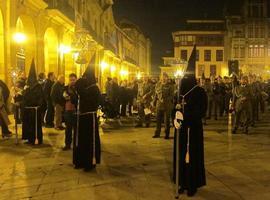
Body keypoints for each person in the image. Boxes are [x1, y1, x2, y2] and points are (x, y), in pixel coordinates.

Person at [173, 46, 207, 197]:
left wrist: (187, 117)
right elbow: (174, 111)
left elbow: (201, 112)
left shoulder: (200, 92)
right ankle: (181, 182)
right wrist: (176, 117)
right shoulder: (179, 93)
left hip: (193, 131)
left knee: (192, 157)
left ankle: (192, 184)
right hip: (181, 130)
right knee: (181, 157)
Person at [73, 55, 101, 171]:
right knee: (80, 140)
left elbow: (90, 98)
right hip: (81, 117)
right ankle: (80, 161)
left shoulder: (94, 89)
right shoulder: (84, 88)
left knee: (89, 141)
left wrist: (79, 85)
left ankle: (90, 162)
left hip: (90, 118)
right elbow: (77, 98)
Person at [22, 60, 45, 145]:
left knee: (36, 126)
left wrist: (38, 106)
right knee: (30, 126)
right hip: (29, 111)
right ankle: (30, 139)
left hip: (35, 111)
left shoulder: (38, 87)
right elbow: (25, 98)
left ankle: (37, 139)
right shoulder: (27, 88)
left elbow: (41, 98)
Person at [152, 72, 174, 139]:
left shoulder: (170, 86)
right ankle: (157, 133)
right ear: (161, 78)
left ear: (167, 78)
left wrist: (165, 99)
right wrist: (153, 103)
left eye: (165, 77)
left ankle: (166, 134)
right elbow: (156, 95)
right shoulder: (157, 85)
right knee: (158, 120)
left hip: (167, 105)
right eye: (162, 77)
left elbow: (172, 96)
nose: (164, 78)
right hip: (159, 105)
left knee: (166, 121)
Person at [63, 73, 78, 150]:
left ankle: (76, 144)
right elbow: (63, 97)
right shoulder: (65, 88)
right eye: (70, 80)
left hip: (76, 111)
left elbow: (76, 99)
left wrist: (70, 96)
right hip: (68, 110)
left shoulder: (78, 88)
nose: (72, 81)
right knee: (68, 128)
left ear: (76, 80)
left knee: (76, 128)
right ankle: (67, 144)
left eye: (73, 80)